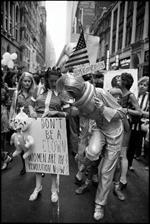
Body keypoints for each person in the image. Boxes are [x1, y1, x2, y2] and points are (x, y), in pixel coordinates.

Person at [56, 73, 126, 220]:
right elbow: (84, 128)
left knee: (106, 171)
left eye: (69, 93)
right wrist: (81, 153)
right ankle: (84, 167)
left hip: (114, 132)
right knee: (92, 151)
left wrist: (103, 109)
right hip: (99, 129)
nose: (70, 96)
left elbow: (121, 113)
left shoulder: (99, 93)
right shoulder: (79, 103)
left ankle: (99, 204)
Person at [29, 68, 66, 202]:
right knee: (39, 159)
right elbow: (30, 105)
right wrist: (32, 111)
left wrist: (57, 113)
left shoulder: (63, 93)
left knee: (53, 160)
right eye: (51, 81)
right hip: (38, 126)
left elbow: (71, 113)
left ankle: (53, 190)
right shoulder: (37, 90)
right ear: (46, 80)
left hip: (54, 129)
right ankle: (37, 187)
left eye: (56, 81)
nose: (54, 83)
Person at [9, 72, 36, 175]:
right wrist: (11, 120)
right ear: (21, 82)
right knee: (20, 145)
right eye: (25, 81)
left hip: (31, 122)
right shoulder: (17, 93)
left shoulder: (33, 93)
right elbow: (12, 107)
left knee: (32, 144)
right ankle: (25, 166)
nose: (27, 83)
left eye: (29, 81)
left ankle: (37, 167)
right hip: (20, 123)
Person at [118, 73, 142, 175]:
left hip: (125, 126)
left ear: (125, 82)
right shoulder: (118, 93)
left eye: (120, 79)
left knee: (123, 153)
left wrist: (126, 110)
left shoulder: (130, 95)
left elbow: (139, 112)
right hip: (116, 125)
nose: (117, 81)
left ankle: (122, 179)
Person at [134, 76, 149, 160]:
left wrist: (140, 112)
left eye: (145, 85)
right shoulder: (134, 94)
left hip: (145, 121)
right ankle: (137, 154)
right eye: (141, 84)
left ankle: (145, 157)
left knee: (146, 140)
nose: (142, 86)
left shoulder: (148, 96)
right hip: (134, 120)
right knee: (137, 139)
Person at [1, 77, 13, 170]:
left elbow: (8, 102)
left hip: (2, 113)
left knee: (2, 139)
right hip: (3, 112)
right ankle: (5, 157)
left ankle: (4, 158)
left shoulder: (3, 89)